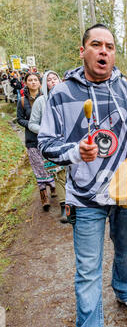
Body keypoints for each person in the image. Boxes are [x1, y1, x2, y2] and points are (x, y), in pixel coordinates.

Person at [38, 23, 127, 327]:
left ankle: (125, 289)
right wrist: (75, 151)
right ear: (83, 50)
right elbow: (45, 144)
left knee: (126, 250)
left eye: (110, 46)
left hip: (125, 195)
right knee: (87, 272)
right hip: (85, 198)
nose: (104, 52)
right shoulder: (60, 96)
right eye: (96, 45)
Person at [28, 70, 67, 223]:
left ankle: (76, 203)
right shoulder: (41, 102)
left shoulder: (67, 98)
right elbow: (32, 124)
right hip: (51, 143)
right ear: (45, 84)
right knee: (58, 174)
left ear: (59, 80)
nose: (52, 81)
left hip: (68, 141)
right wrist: (46, 131)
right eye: (49, 80)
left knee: (71, 174)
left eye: (54, 78)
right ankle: (65, 207)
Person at [17, 72, 57, 210]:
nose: (33, 82)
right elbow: (19, 119)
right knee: (37, 167)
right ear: (26, 83)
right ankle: (43, 195)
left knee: (49, 164)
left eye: (35, 80)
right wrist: (32, 125)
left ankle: (53, 185)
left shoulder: (46, 97)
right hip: (32, 139)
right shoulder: (22, 101)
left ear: (40, 83)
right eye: (30, 80)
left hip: (47, 138)